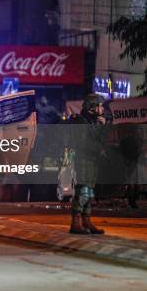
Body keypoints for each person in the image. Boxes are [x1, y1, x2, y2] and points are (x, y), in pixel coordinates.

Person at [67, 94, 106, 234]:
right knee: (82, 189)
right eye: (99, 105)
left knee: (89, 190)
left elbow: (101, 140)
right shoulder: (81, 121)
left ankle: (86, 220)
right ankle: (76, 222)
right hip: (83, 159)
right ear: (91, 107)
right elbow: (83, 143)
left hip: (92, 160)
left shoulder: (94, 122)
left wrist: (101, 127)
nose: (102, 108)